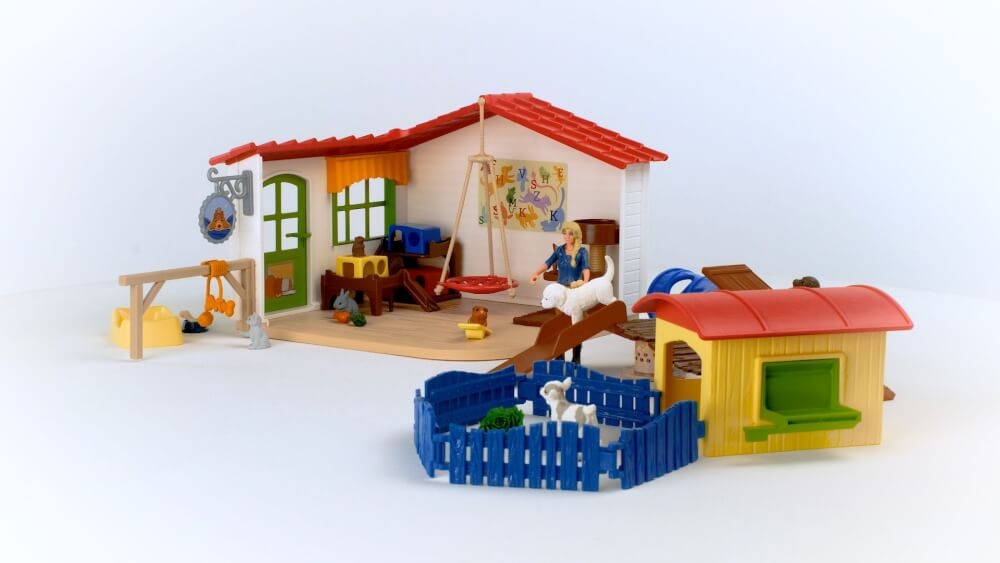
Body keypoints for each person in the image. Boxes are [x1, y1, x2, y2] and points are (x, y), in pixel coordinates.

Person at [529, 221, 590, 363]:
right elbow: (548, 263)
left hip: (575, 292)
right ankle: (559, 354)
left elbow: (586, 268)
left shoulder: (582, 252)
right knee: (560, 324)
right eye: (564, 233)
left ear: (576, 235)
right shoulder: (560, 251)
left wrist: (586, 282)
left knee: (576, 326)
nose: (567, 236)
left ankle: (576, 357)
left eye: (570, 234)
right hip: (560, 293)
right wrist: (536, 273)